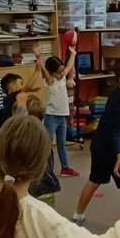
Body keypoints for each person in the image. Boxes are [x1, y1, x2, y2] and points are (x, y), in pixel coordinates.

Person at [72, 56, 120, 225]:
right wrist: (119, 154)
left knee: (95, 179)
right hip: (111, 147)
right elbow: (115, 132)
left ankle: (77, 215)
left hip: (102, 145)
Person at [16, 94, 61, 207]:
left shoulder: (30, 136)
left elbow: (22, 122)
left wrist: (21, 106)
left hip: (34, 191)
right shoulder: (43, 134)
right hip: (45, 189)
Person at [41, 46, 80, 177]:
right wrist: (38, 57)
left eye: (62, 71)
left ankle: (65, 167)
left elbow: (69, 66)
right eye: (58, 72)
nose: (62, 74)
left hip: (62, 116)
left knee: (62, 144)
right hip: (51, 116)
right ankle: (45, 170)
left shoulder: (62, 78)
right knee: (47, 144)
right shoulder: (51, 81)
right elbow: (44, 69)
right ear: (51, 73)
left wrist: (73, 54)